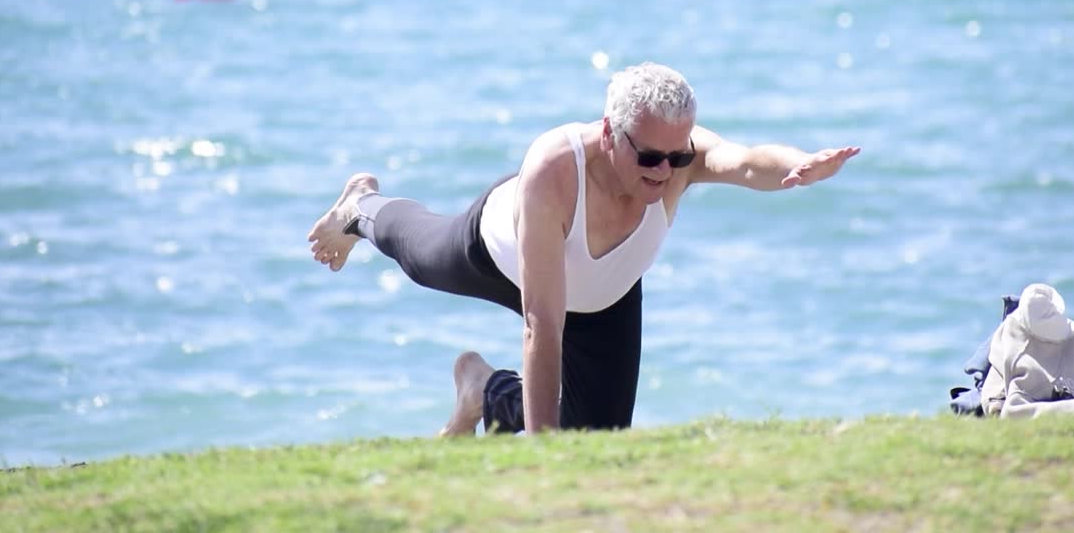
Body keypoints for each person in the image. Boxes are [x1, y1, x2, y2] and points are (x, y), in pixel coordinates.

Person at [307, 62, 859, 435]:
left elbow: (742, 160)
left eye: (678, 156)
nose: (665, 171)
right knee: (420, 252)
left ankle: (484, 388)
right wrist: (543, 463)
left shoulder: (676, 161)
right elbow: (542, 326)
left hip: (605, 298)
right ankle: (361, 208)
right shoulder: (555, 169)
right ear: (609, 134)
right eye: (649, 158)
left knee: (596, 438)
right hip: (502, 255)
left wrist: (798, 167)